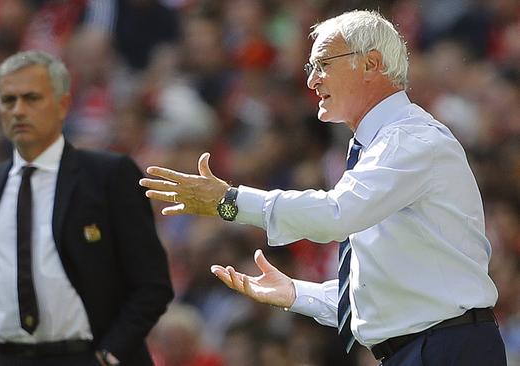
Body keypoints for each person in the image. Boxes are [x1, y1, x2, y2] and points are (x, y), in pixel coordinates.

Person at [139, 10, 507, 365]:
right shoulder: (379, 147)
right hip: (428, 348)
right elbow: (388, 295)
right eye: (310, 67)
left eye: (323, 65)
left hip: (447, 349)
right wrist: (298, 293)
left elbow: (337, 214)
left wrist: (230, 202)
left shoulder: (410, 139)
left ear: (371, 63)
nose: (312, 80)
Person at [0, 50, 173, 366]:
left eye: (32, 98)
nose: (18, 110)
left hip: (84, 356)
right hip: (3, 357)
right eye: (8, 100)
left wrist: (109, 353)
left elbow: (152, 283)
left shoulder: (108, 176)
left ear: (62, 105)